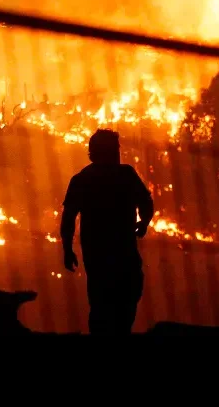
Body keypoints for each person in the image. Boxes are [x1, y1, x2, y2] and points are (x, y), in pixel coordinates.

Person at [60, 129, 154, 334]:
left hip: (97, 253)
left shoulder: (81, 179)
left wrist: (67, 249)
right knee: (127, 294)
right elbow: (146, 201)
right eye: (115, 148)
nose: (118, 152)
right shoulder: (125, 174)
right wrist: (144, 221)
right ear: (108, 151)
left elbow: (68, 218)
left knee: (101, 301)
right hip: (121, 252)